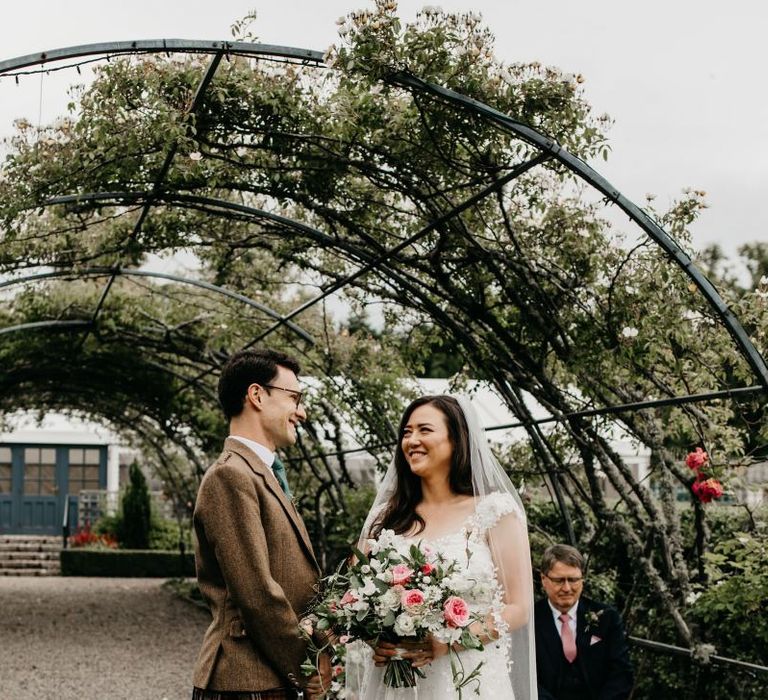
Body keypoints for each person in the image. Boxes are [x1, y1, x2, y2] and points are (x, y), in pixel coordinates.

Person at [350, 394, 538, 699]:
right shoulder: (387, 515)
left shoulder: (494, 512)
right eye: (407, 432)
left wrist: (445, 641)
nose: (412, 440)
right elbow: (353, 592)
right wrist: (377, 637)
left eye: (425, 430)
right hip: (397, 679)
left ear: (457, 439)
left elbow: (518, 608)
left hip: (468, 677)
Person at [191, 348, 330, 700]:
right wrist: (307, 666)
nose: (302, 411)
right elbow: (256, 594)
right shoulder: (231, 476)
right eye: (294, 397)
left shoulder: (260, 472)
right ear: (256, 395)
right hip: (247, 680)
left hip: (269, 677)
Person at [534, 544, 633, 700]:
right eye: (559, 580)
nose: (567, 588)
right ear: (544, 580)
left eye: (573, 580)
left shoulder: (607, 618)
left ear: (582, 579)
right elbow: (525, 676)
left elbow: (621, 674)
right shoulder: (530, 620)